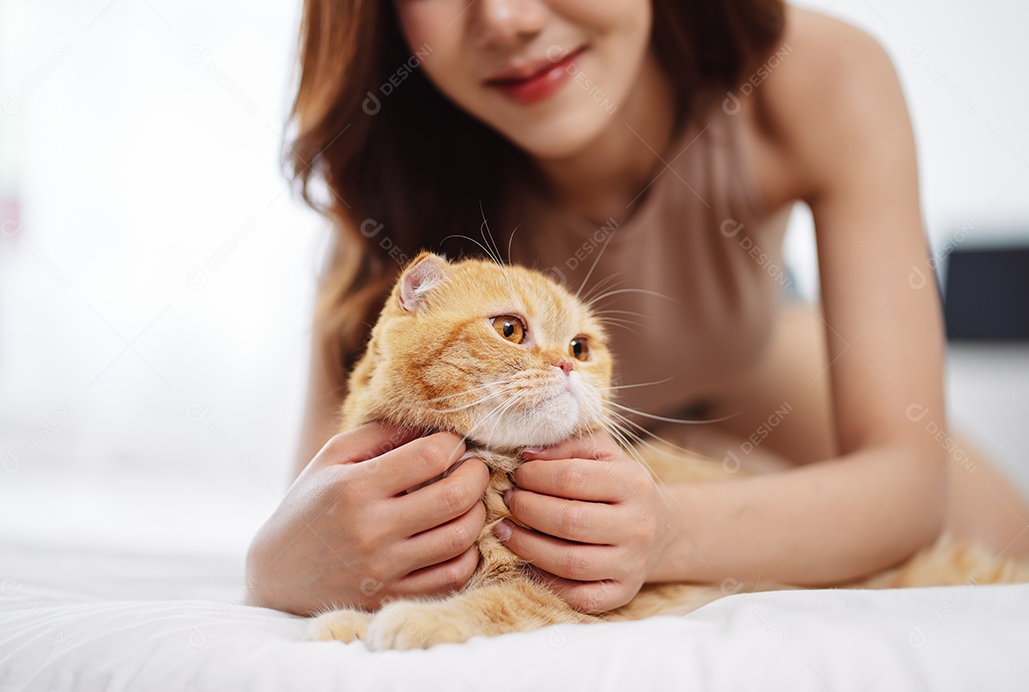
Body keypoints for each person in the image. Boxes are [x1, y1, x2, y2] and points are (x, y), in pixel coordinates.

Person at [246, 0, 1029, 616]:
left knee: (1007, 549)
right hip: (536, 427)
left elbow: (907, 484)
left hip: (750, 375)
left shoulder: (823, 72)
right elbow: (328, 496)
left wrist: (673, 532)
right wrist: (272, 563)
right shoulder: (388, 156)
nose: (509, 18)